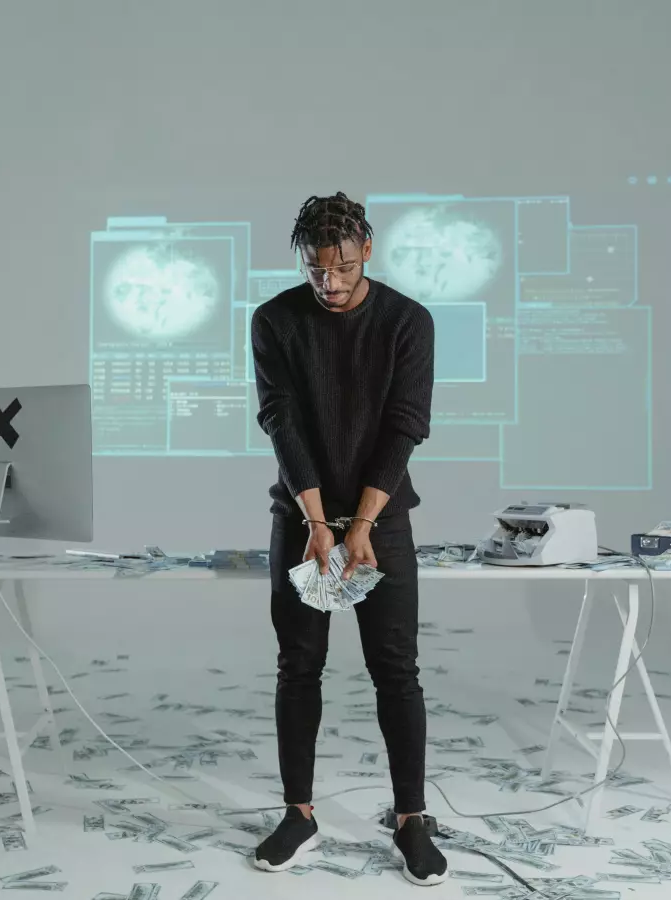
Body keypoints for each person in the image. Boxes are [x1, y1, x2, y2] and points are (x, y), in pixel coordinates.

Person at [248, 192, 448, 886]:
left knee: (396, 670)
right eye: (316, 271)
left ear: (367, 250)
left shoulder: (407, 322)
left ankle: (411, 820)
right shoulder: (275, 320)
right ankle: (298, 814)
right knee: (298, 666)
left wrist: (359, 525)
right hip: (300, 518)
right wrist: (315, 524)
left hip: (381, 520)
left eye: (342, 268)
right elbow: (281, 421)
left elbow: (406, 425)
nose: (328, 285)